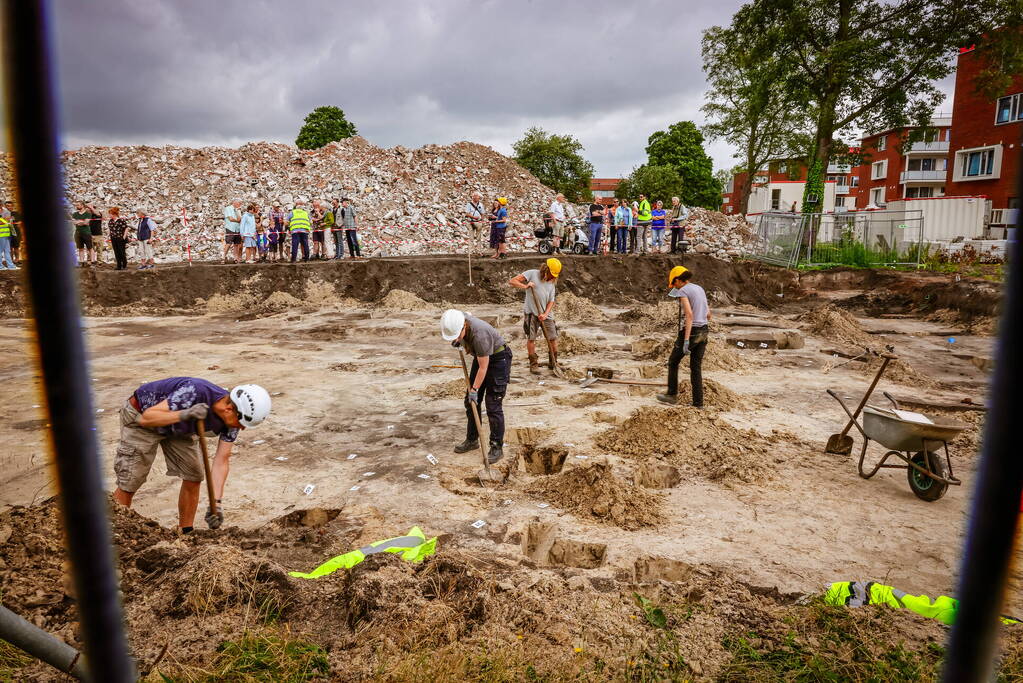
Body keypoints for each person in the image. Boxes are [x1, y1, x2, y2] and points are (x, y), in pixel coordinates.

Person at [112, 377, 271, 532]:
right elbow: (146, 418)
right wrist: (184, 414)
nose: (241, 429)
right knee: (131, 479)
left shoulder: (234, 419)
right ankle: (116, 532)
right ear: (229, 409)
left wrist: (216, 505)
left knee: (194, 474)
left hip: (178, 427)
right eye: (241, 424)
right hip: (142, 417)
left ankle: (185, 532)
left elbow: (222, 460)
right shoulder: (195, 391)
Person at [440, 309, 512, 464]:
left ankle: (496, 447)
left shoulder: (480, 336)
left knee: (493, 404)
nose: (457, 338)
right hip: (481, 357)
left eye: (458, 335)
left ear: (463, 327)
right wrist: (460, 341)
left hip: (498, 360)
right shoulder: (458, 319)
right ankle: (472, 440)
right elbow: (467, 313)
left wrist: (474, 390)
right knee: (471, 402)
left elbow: (483, 368)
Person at [657, 266, 711, 408]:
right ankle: (698, 403)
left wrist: (686, 340)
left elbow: (689, 315)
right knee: (696, 367)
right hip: (704, 331)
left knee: (673, 361)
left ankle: (671, 394)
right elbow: (708, 314)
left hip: (692, 331)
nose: (674, 287)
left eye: (674, 284)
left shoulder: (683, 291)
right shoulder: (699, 288)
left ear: (678, 280)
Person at [508, 258, 561, 375]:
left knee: (553, 338)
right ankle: (533, 364)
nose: (552, 277)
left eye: (554, 276)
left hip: (546, 315)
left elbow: (551, 301)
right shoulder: (532, 274)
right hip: (532, 313)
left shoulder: (552, 283)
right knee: (531, 338)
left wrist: (545, 314)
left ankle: (553, 362)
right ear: (545, 269)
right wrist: (525, 286)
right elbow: (512, 281)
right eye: (551, 274)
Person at [71, 201, 94, 267]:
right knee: (80, 248)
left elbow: (86, 223)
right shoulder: (75, 214)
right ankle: (82, 262)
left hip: (86, 232)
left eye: (78, 205)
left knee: (90, 248)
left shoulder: (88, 214)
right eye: (76, 205)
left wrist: (79, 222)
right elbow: (74, 222)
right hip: (78, 233)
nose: (76, 206)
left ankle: (92, 262)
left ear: (82, 206)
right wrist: (81, 221)